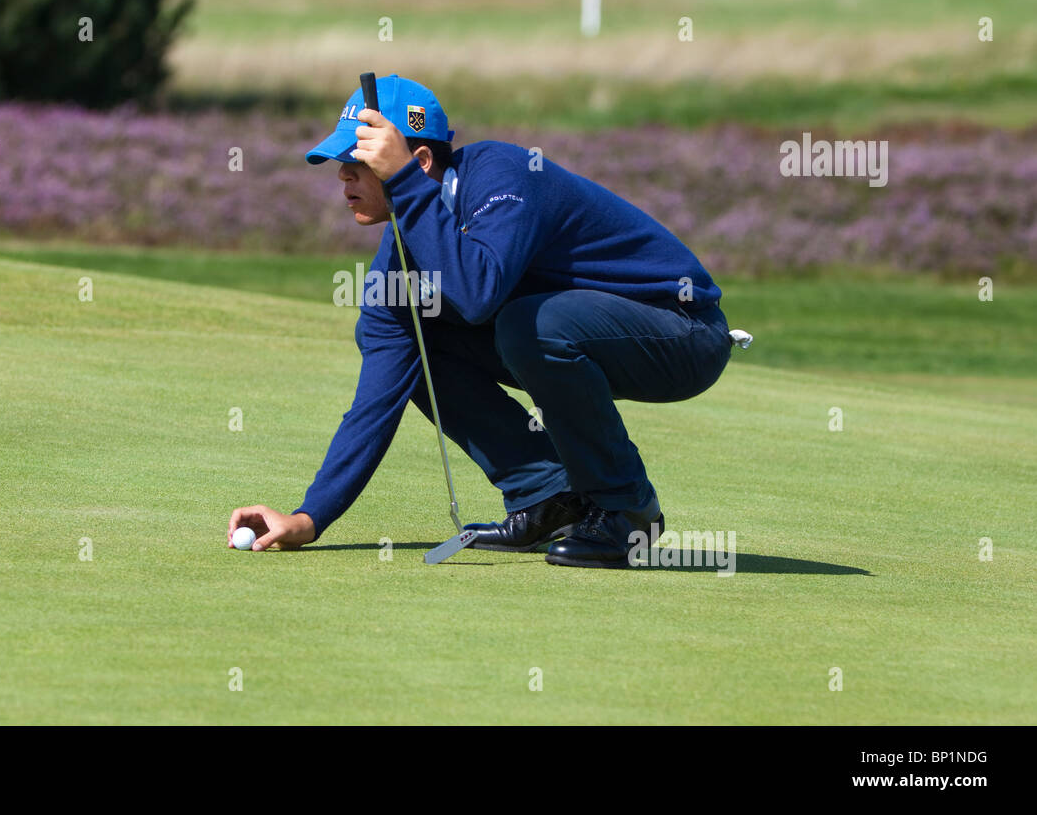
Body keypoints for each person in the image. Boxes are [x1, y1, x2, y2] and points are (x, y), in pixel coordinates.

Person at [227, 74, 741, 567]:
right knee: (419, 345)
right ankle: (547, 493)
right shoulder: (401, 255)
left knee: (527, 323)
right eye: (343, 161)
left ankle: (628, 511)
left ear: (420, 160)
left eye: (359, 161)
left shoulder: (504, 175)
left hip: (682, 331)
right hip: (587, 335)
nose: (343, 174)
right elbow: (379, 395)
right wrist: (309, 517)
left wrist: (401, 180)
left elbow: (477, 293)